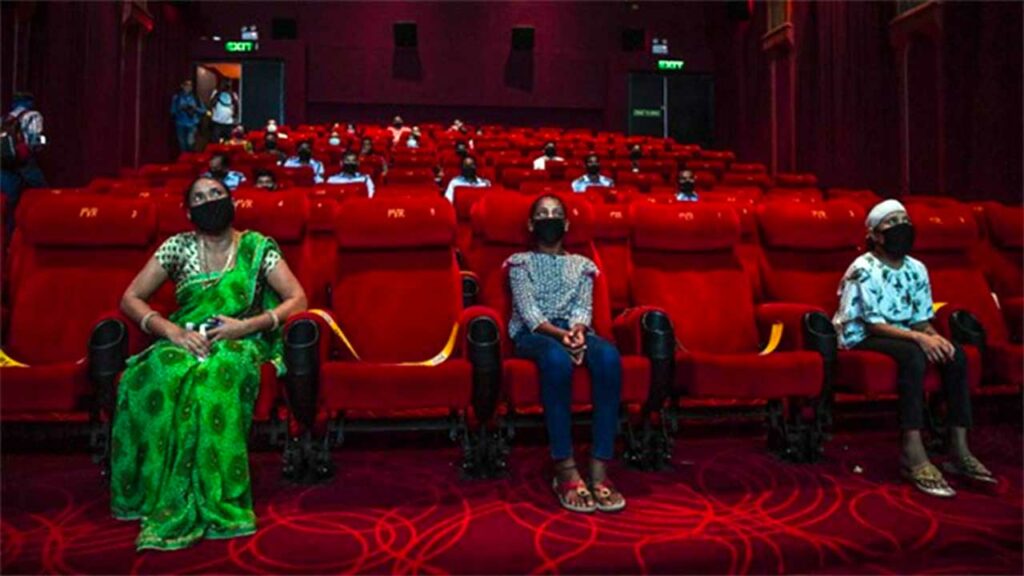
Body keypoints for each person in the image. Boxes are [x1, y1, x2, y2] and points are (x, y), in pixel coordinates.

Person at [112, 176, 307, 550]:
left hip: (242, 342)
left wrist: (247, 325)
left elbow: (296, 298)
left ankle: (219, 497)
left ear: (231, 201)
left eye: (216, 194)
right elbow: (131, 298)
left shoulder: (256, 246)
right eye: (200, 197)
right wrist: (170, 331)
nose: (209, 201)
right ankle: (157, 492)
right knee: (154, 374)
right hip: (184, 337)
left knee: (214, 376)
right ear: (188, 211)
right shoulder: (177, 247)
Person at [833, 200, 995, 498]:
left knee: (955, 354)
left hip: (904, 333)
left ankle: (958, 446)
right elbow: (872, 325)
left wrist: (935, 337)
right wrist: (921, 339)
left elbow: (920, 319)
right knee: (913, 355)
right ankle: (912, 451)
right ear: (876, 236)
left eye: (904, 220)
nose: (902, 228)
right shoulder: (863, 268)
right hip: (862, 334)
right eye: (892, 223)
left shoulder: (917, 268)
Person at [505, 195, 625, 514]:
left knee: (609, 357)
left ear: (567, 224)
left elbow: (583, 307)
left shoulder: (583, 265)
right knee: (557, 360)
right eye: (543, 214)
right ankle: (565, 466)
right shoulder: (519, 263)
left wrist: (579, 332)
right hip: (535, 335)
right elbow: (528, 312)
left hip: (573, 330)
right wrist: (562, 338)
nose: (550, 218)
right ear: (532, 224)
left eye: (556, 214)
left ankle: (600, 465)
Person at [0, 91, 47, 226]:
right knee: (42, 193)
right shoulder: (33, 115)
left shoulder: (4, 118)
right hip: (23, 160)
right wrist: (42, 144)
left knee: (9, 201)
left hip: (4, 162)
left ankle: (7, 238)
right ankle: (43, 226)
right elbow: (34, 140)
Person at [169, 80, 205, 154]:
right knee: (182, 145)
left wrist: (195, 109)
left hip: (192, 123)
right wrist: (180, 108)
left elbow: (203, 111)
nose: (188, 87)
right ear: (182, 86)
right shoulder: (177, 97)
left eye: (190, 86)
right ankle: (185, 162)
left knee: (190, 143)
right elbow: (172, 111)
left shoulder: (196, 97)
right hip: (180, 123)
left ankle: (191, 158)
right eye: (186, 85)